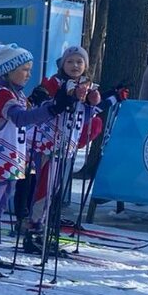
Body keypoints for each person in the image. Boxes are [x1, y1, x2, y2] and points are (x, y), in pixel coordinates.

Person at [0, 42, 83, 279]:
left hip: (11, 160)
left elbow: (29, 117)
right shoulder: (0, 94)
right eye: (24, 69)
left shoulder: (17, 94)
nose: (28, 74)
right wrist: (53, 108)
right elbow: (21, 118)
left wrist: (53, 104)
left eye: (30, 69)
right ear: (9, 70)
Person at [21, 45, 102, 255]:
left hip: (66, 145)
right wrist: (65, 96)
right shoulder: (54, 82)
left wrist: (92, 102)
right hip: (47, 143)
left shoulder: (87, 85)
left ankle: (43, 227)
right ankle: (34, 230)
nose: (75, 65)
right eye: (70, 61)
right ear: (62, 64)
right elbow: (43, 102)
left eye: (79, 62)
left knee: (53, 189)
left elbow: (86, 116)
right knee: (45, 188)